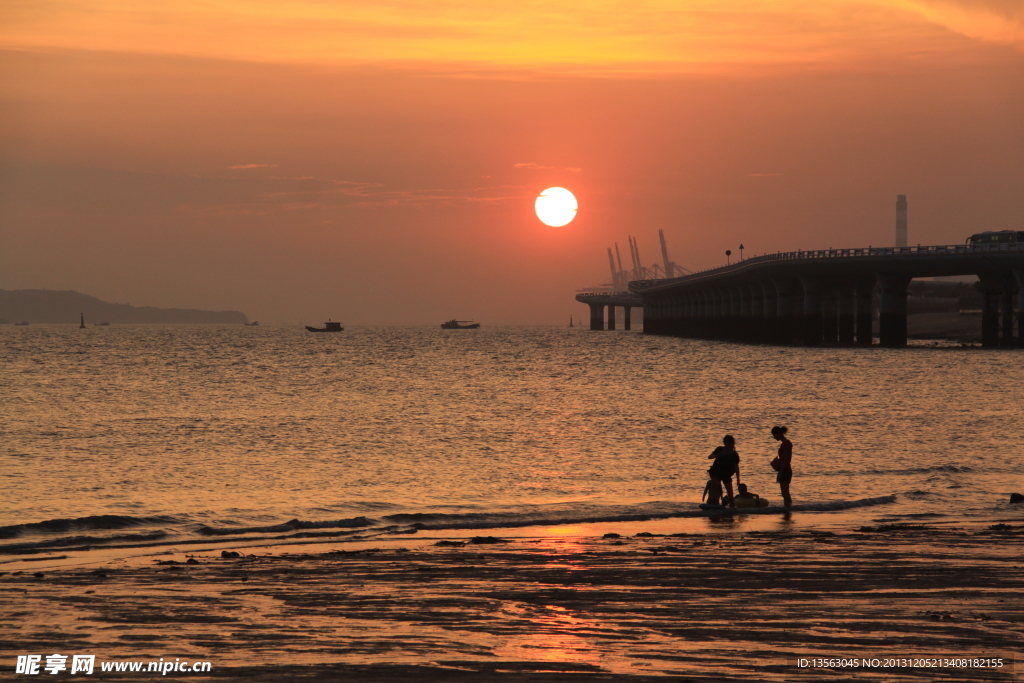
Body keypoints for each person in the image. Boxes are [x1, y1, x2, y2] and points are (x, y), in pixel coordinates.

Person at [708, 435, 740, 506]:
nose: (728, 445)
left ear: (732, 443)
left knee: (730, 494)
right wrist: (716, 455)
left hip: (727, 474)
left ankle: (731, 506)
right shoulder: (719, 449)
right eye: (727, 443)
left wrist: (738, 479)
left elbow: (736, 467)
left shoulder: (734, 454)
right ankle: (714, 504)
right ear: (724, 443)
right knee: (716, 492)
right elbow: (710, 456)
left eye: (730, 443)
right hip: (716, 473)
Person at [771, 425, 793, 507]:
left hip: (785, 470)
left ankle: (788, 508)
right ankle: (787, 507)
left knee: (785, 492)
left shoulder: (786, 444)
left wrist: (780, 472)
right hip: (784, 469)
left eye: (774, 435)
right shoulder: (784, 444)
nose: (774, 437)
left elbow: (786, 459)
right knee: (784, 493)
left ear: (778, 433)